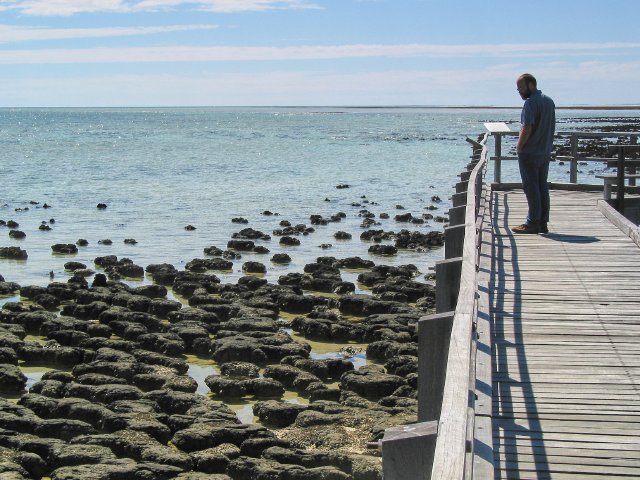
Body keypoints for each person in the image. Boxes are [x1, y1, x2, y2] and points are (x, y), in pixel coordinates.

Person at [512, 73, 556, 234]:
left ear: (531, 85)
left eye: (522, 88)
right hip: (544, 152)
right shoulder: (549, 102)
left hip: (530, 152)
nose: (520, 92)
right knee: (542, 186)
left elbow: (527, 127)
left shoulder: (530, 103)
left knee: (531, 188)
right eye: (518, 89)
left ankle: (532, 222)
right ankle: (542, 222)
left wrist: (519, 146)